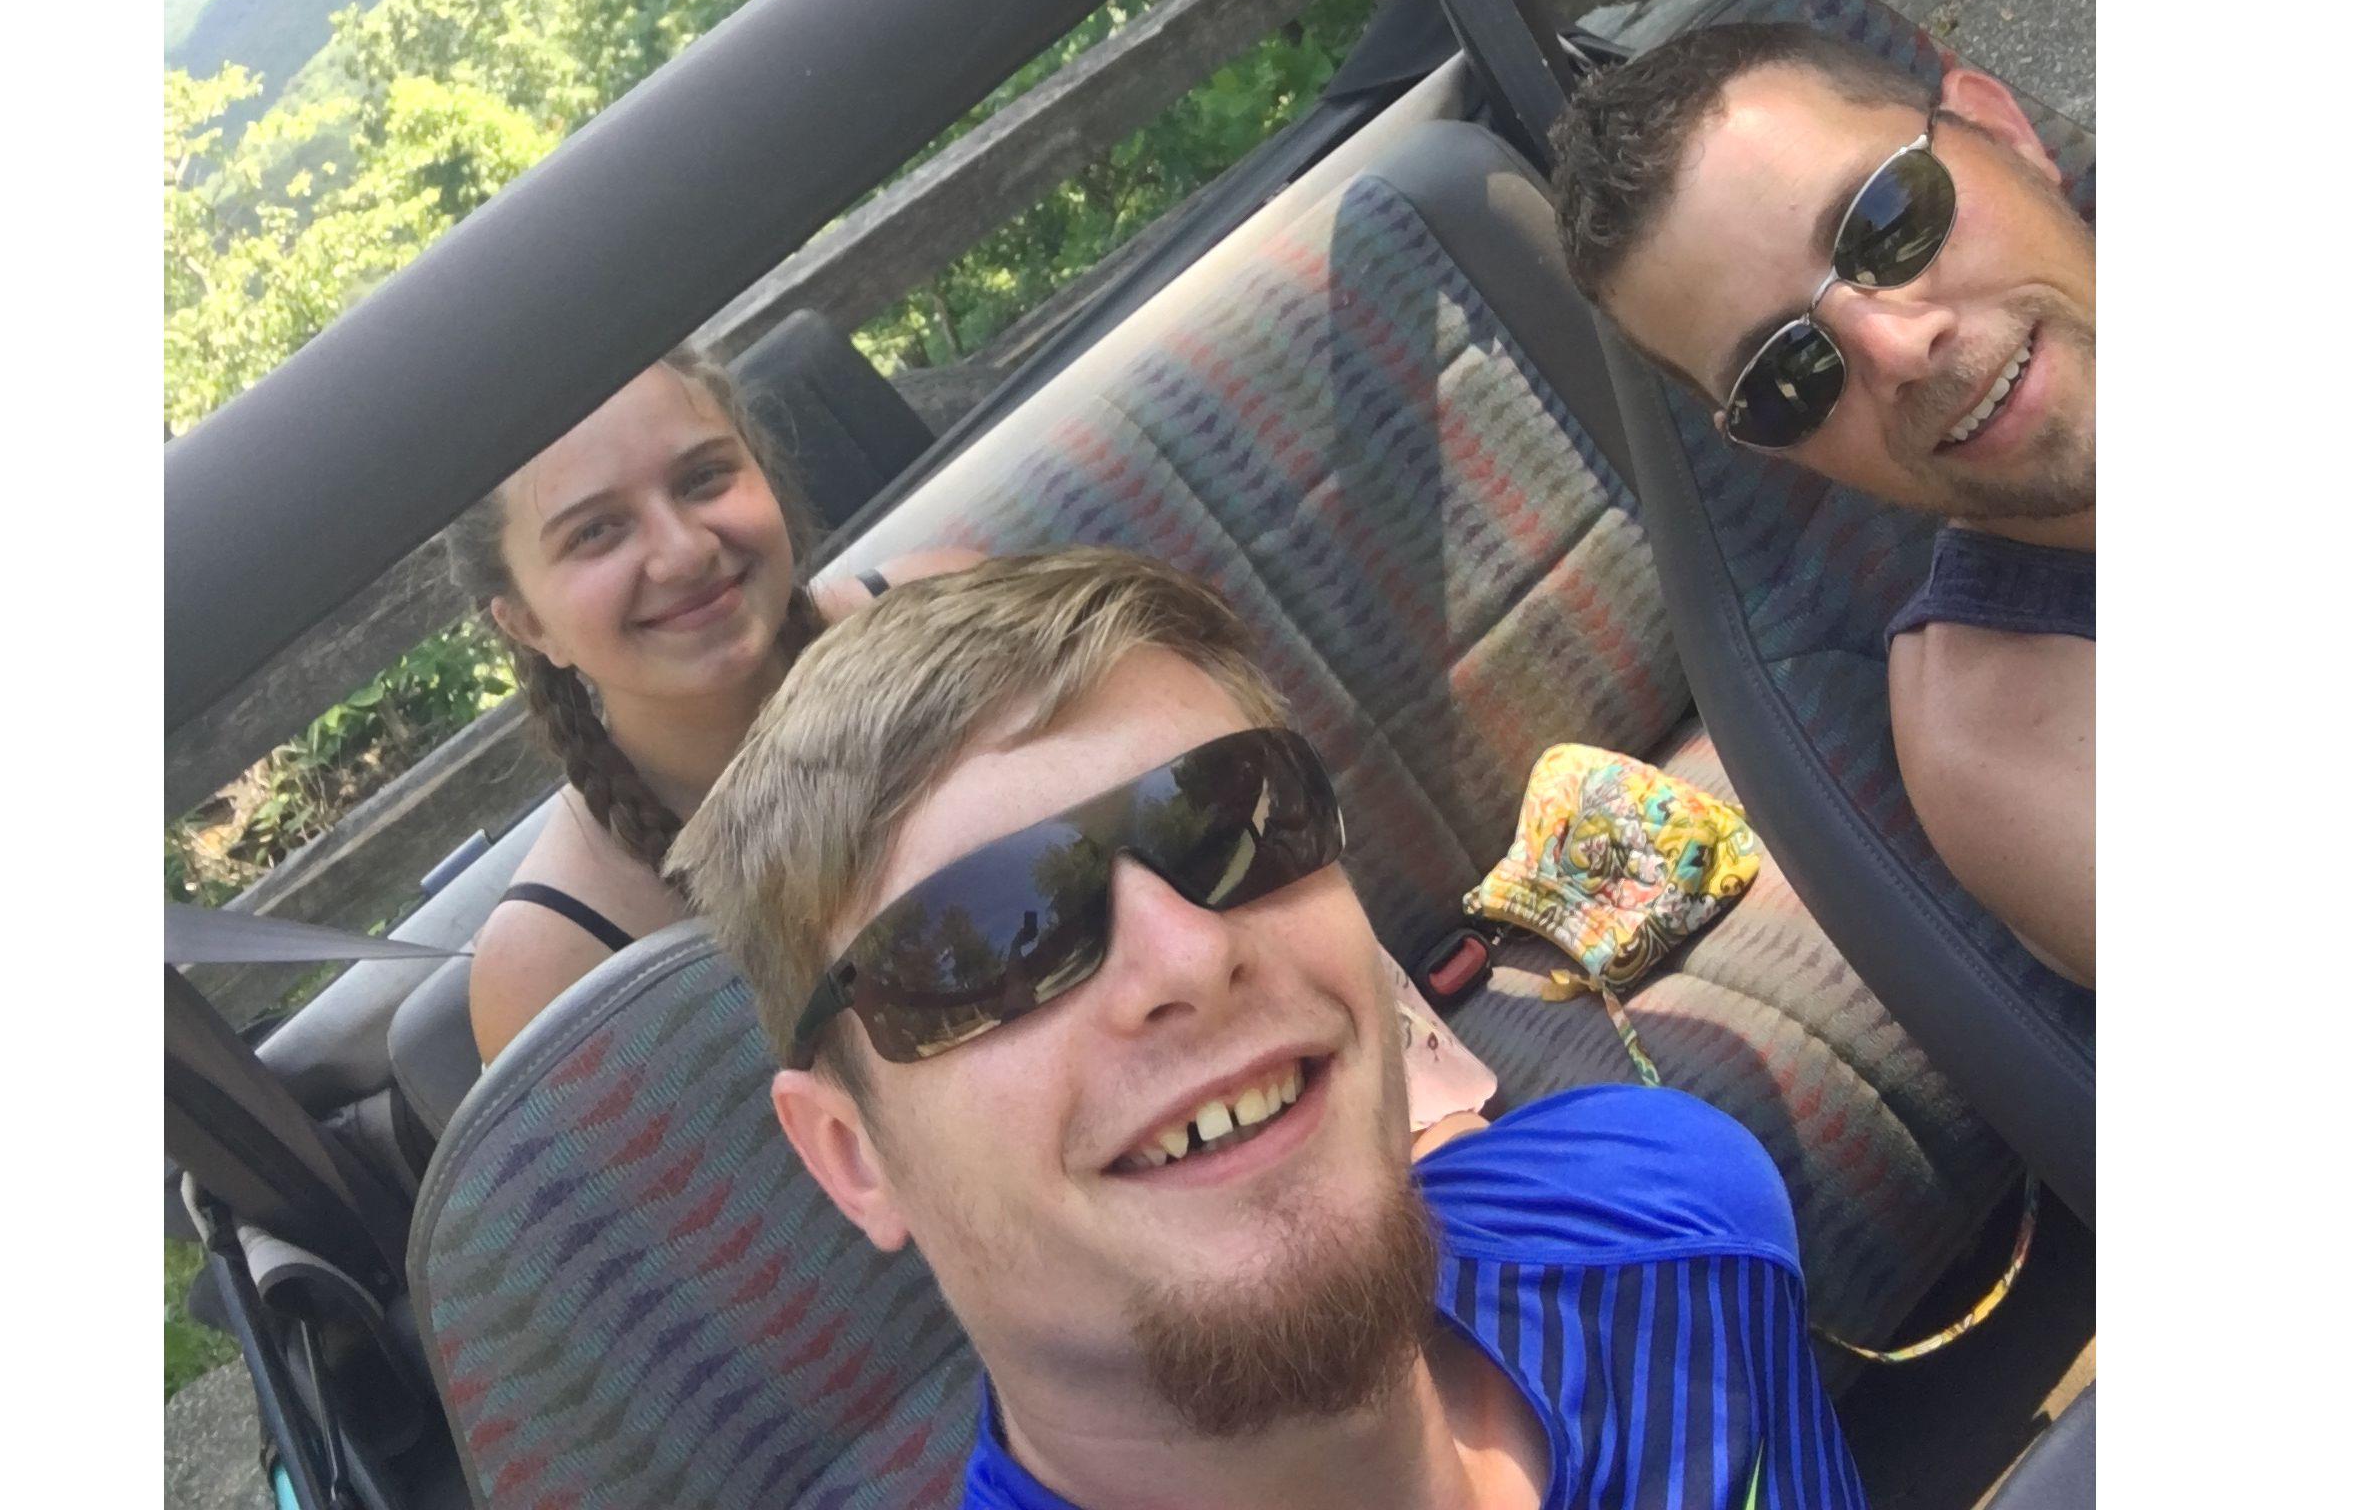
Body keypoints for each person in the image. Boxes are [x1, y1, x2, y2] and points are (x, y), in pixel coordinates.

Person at [673, 550, 1870, 1510]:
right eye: (996, 935)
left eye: (1228, 829)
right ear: (854, 1156)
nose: (1190, 954)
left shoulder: (1672, 1223)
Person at [1549, 23, 2094, 987]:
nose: (1897, 349)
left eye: (1888, 222)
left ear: (2004, 129)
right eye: (1788, 377)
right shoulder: (2004, 748)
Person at [446, 341, 975, 1061]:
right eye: (595, 531)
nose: (686, 552)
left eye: (702, 478)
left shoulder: (952, 615)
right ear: (529, 625)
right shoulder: (552, 968)